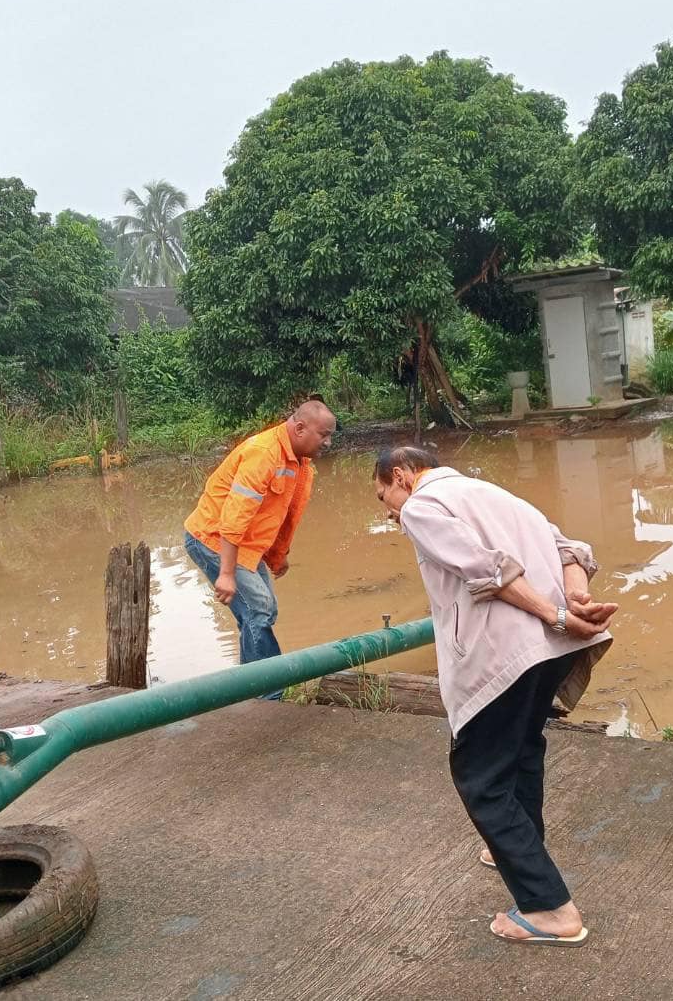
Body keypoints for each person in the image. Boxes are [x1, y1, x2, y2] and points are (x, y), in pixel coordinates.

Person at [373, 445, 615, 947]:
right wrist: (573, 599)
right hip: (550, 652)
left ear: (402, 475)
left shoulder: (421, 504)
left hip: (506, 655)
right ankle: (518, 845)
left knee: (480, 778)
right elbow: (572, 550)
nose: (391, 512)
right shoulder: (495, 493)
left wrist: (555, 614)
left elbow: (486, 569)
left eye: (385, 497)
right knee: (523, 751)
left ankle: (548, 908)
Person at [184, 400, 336, 679]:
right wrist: (226, 574)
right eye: (323, 435)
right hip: (213, 538)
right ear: (300, 428)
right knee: (258, 609)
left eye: (330, 436)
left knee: (265, 610)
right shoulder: (264, 453)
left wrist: (278, 556)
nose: (327, 442)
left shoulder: (300, 463)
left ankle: (249, 685)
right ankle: (268, 689)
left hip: (244, 545)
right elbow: (233, 517)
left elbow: (281, 514)